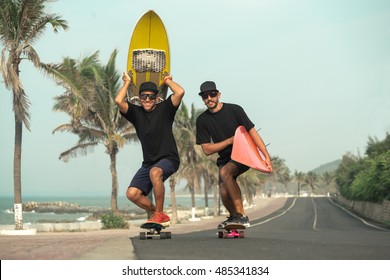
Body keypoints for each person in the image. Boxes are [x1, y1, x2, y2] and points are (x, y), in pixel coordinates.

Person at [195, 81, 273, 229]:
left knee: (225, 172)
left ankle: (241, 215)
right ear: (202, 98)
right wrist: (230, 140)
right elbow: (207, 149)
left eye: (212, 94)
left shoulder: (235, 110)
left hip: (243, 154)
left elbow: (252, 133)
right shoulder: (202, 120)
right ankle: (234, 216)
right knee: (224, 192)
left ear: (218, 94)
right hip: (225, 158)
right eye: (205, 96)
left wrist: (266, 156)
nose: (209, 98)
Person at [115, 72, 185, 227]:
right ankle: (157, 213)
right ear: (139, 98)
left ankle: (158, 214)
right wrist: (127, 82)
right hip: (148, 163)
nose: (147, 99)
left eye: (151, 97)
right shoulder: (135, 113)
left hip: (169, 158)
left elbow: (179, 92)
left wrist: (167, 81)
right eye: (144, 96)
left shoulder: (165, 109)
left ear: (157, 98)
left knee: (155, 172)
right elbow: (118, 100)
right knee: (132, 194)